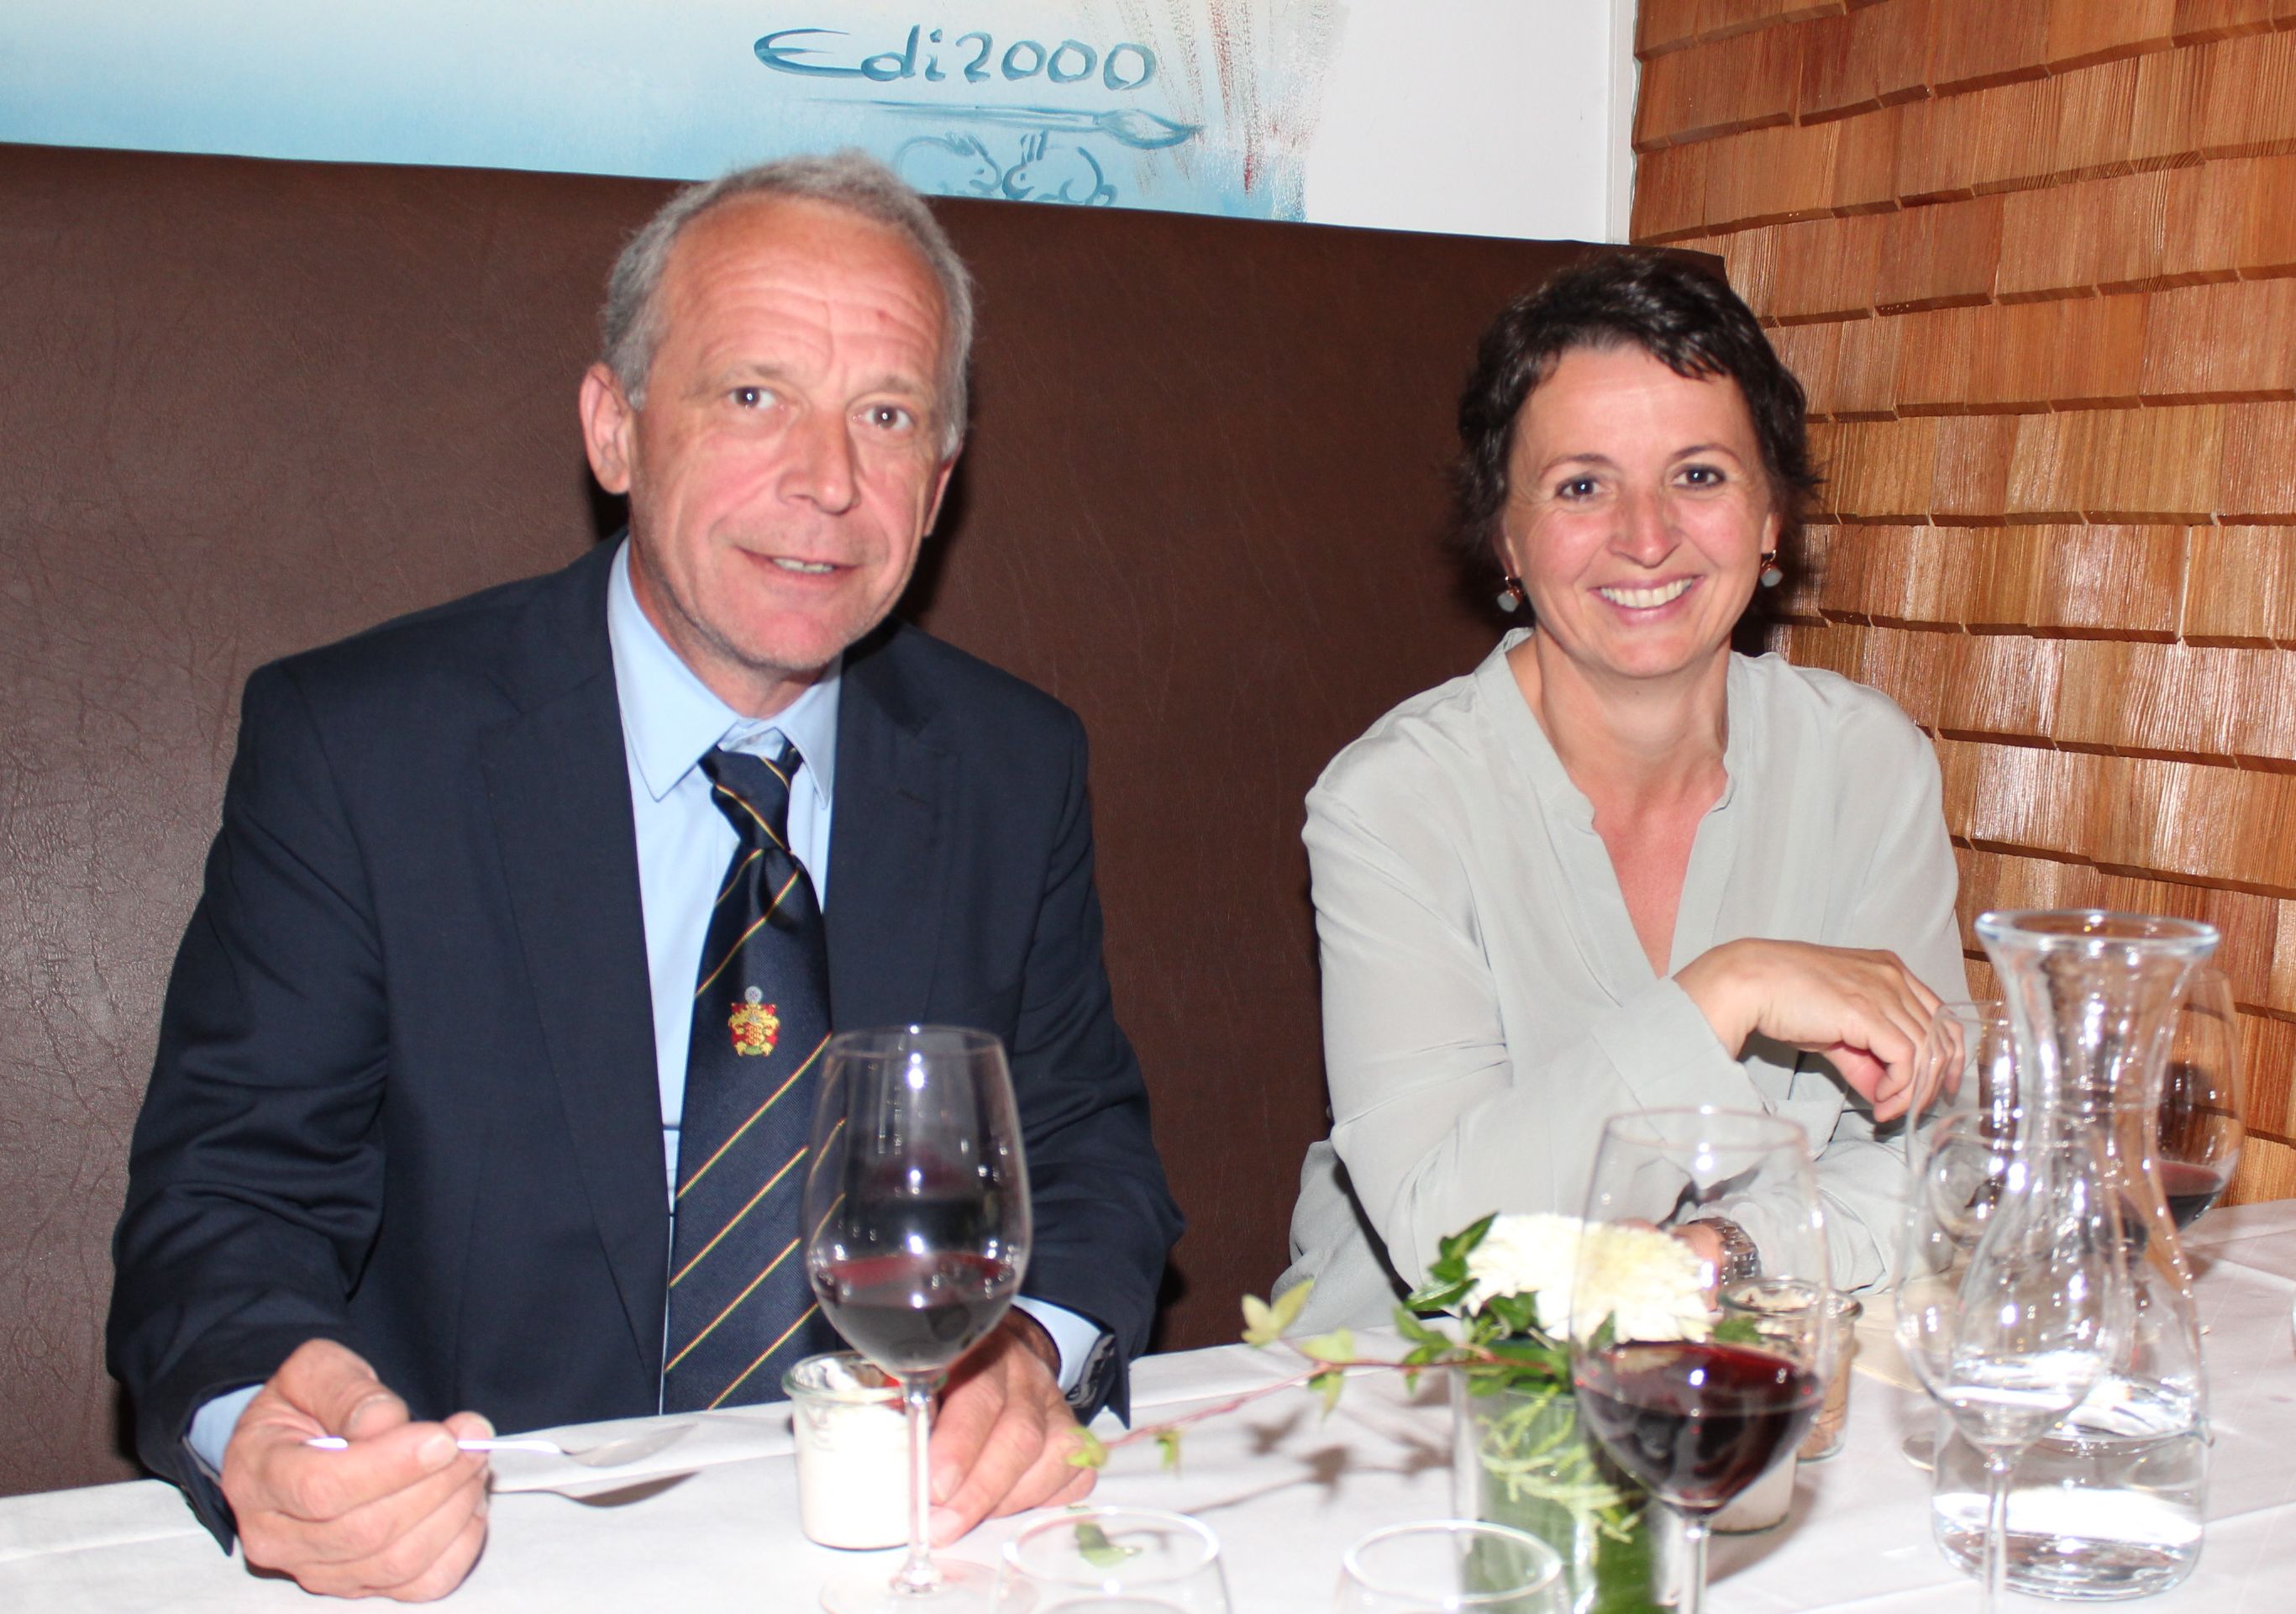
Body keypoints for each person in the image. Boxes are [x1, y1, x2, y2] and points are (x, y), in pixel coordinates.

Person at [107, 152, 1182, 1601]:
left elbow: (1084, 1151)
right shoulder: (366, 750)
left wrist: (1032, 1348)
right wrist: (268, 1424)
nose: (827, 481)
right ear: (614, 429)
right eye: (752, 395)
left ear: (936, 488)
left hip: (899, 1539)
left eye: (885, 416)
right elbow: (227, 1201)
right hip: (487, 1552)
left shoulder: (1007, 764)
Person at [1278, 251, 1963, 1332]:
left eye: (1700, 475)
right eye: (1582, 486)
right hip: (1414, 1389)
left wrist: (1714, 1257)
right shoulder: (1392, 805)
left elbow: (1934, 1158)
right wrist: (1729, 989)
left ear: (1772, 518)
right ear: (1506, 537)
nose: (1646, 537)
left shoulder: (1867, 766)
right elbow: (1454, 1249)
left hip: (1744, 1353)